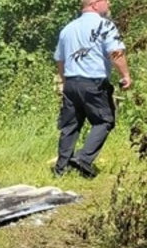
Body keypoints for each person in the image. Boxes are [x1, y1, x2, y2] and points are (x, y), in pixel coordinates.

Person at [53, 0, 132, 179]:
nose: (109, 3)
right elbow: (115, 52)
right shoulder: (105, 26)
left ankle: (61, 169)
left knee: (70, 125)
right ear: (95, 4)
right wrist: (125, 75)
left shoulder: (68, 29)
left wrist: (65, 81)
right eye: (105, 1)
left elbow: (60, 59)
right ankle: (83, 158)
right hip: (94, 83)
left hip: (71, 83)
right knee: (104, 120)